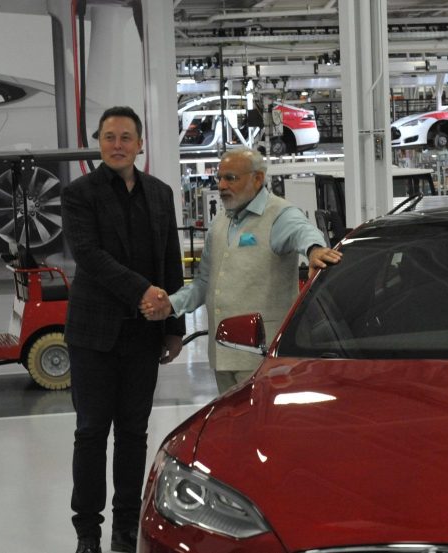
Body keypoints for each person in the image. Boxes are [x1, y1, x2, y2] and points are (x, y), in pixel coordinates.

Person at [63, 106, 185, 553]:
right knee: (91, 433)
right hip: (93, 336)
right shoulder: (79, 194)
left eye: (126, 137)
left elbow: (170, 259)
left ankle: (125, 529)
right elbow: (89, 256)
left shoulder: (160, 193)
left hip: (143, 335)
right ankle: (87, 533)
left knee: (134, 435)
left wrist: (173, 325)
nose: (117, 145)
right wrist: (142, 292)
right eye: (109, 137)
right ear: (98, 142)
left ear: (140, 143)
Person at [141, 147, 341, 393]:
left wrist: (314, 250)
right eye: (220, 178)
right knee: (230, 418)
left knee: (263, 418)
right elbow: (204, 283)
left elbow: (303, 231)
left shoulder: (279, 214)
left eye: (231, 178)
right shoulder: (220, 222)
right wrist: (170, 305)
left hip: (264, 357)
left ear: (258, 178)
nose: (222, 185)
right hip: (223, 355)